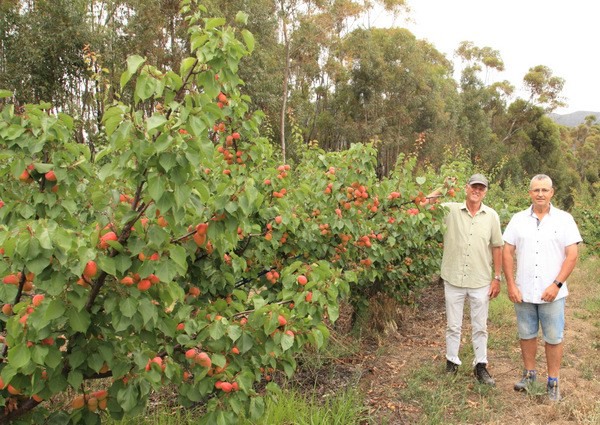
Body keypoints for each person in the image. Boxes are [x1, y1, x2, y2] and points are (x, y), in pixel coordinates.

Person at [502, 174, 582, 401]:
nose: (540, 194)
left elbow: (572, 255)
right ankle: (529, 375)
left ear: (552, 192)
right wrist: (511, 284)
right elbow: (507, 252)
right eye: (536, 190)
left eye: (544, 190)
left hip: (552, 293)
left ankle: (553, 381)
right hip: (524, 291)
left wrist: (556, 285)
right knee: (526, 334)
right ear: (530, 193)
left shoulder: (564, 220)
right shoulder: (518, 219)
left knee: (553, 337)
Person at [426, 173, 503, 386]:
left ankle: (481, 366)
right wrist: (444, 186)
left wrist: (497, 277)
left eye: (481, 188)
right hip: (453, 278)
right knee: (453, 325)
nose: (477, 191)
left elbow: (497, 246)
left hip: (480, 280)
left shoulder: (491, 216)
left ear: (485, 192)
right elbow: (423, 204)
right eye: (474, 186)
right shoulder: (450, 210)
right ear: (466, 188)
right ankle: (452, 362)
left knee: (480, 326)